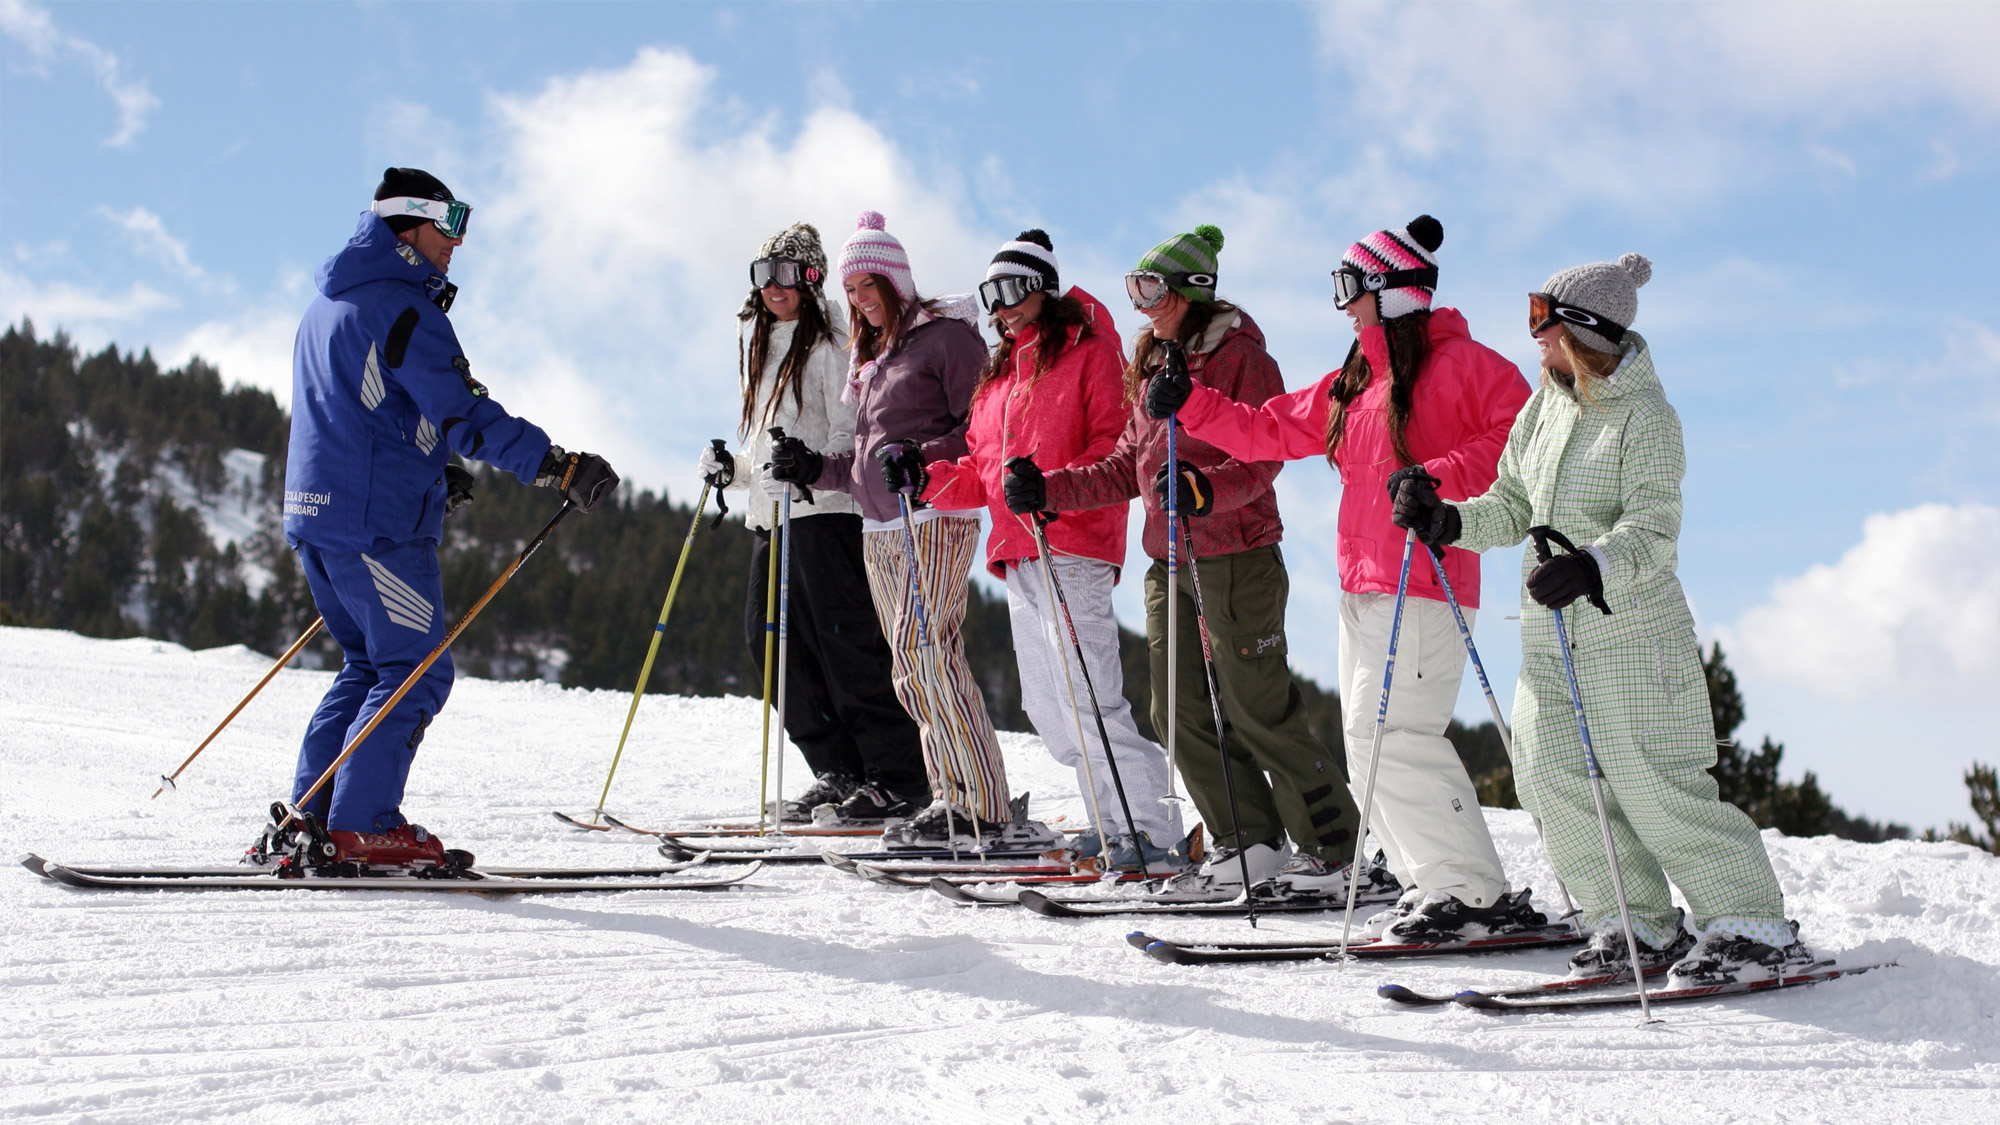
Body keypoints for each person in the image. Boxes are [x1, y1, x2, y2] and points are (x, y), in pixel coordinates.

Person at [1391, 253, 1821, 986]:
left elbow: (1655, 528)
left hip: (1630, 634)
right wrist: (1447, 519)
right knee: (1550, 775)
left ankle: (1750, 923)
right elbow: (1511, 506)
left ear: (1584, 330)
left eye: (1543, 321)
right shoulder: (1545, 406)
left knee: (1653, 783)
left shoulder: (1648, 418)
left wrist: (1593, 564)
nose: (1534, 337)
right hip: (1551, 632)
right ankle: (1632, 921)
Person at [1146, 216, 1542, 939]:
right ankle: (1435, 887)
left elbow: (1520, 442)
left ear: (1391, 291)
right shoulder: (1358, 380)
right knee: (1366, 745)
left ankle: (1474, 892)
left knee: (1393, 733)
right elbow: (1272, 427)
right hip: (1361, 585)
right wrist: (1192, 405)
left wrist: (1438, 478)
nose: (1344, 303)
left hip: (1427, 578)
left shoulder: (1470, 366)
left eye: (1350, 288)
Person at [1014, 223, 1366, 893]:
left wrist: (1208, 489)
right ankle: (1248, 840)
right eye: (1134, 288)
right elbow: (1127, 464)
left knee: (1255, 705)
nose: (1142, 303)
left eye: (1151, 288)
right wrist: (1049, 490)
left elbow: (1264, 455)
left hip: (1236, 554)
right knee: (1175, 712)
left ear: (1191, 289)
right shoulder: (1150, 361)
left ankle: (1336, 849)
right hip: (1168, 562)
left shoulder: (1240, 356)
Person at [282, 168, 616, 868]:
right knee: (415, 671)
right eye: (450, 223)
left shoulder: (331, 302)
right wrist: (556, 465)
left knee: (370, 666)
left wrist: (430, 463)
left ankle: (311, 817)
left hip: (320, 514)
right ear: (408, 226)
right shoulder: (405, 308)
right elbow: (463, 411)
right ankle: (361, 826)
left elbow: (367, 407)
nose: (457, 243)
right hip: (377, 524)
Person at [770, 211, 1052, 850]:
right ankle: (951, 793)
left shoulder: (946, 339)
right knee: (908, 667)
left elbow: (981, 428)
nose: (860, 299)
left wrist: (923, 457)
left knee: (931, 653)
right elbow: (870, 457)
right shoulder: (872, 354)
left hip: (935, 513)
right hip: (879, 524)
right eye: (851, 289)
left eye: (870, 284)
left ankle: (981, 804)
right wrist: (815, 467)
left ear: (896, 279)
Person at [921, 231, 1181, 870]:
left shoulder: (1090, 353)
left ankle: (1150, 827)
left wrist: (1051, 488)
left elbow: (1115, 445)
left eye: (1011, 291)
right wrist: (925, 477)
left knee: (1088, 693)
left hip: (1073, 540)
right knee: (1046, 703)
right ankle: (1110, 820)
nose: (1000, 307)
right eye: (990, 295)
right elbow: (984, 473)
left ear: (1043, 289)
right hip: (1019, 549)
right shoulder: (999, 378)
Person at [697, 222, 928, 823]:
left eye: (787, 274)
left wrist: (809, 466)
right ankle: (838, 770)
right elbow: (766, 444)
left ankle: (896, 775)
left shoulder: (831, 341)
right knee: (770, 644)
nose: (774, 287)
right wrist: (736, 470)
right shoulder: (757, 342)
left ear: (812, 278)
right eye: (762, 275)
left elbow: (848, 432)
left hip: (825, 512)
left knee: (844, 643)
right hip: (770, 515)